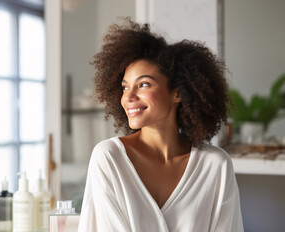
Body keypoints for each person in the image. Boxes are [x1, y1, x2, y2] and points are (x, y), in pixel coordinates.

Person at [78, 18, 244, 232]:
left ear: (177, 92)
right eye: (125, 87)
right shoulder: (110, 158)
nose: (128, 97)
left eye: (144, 84)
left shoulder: (215, 165)